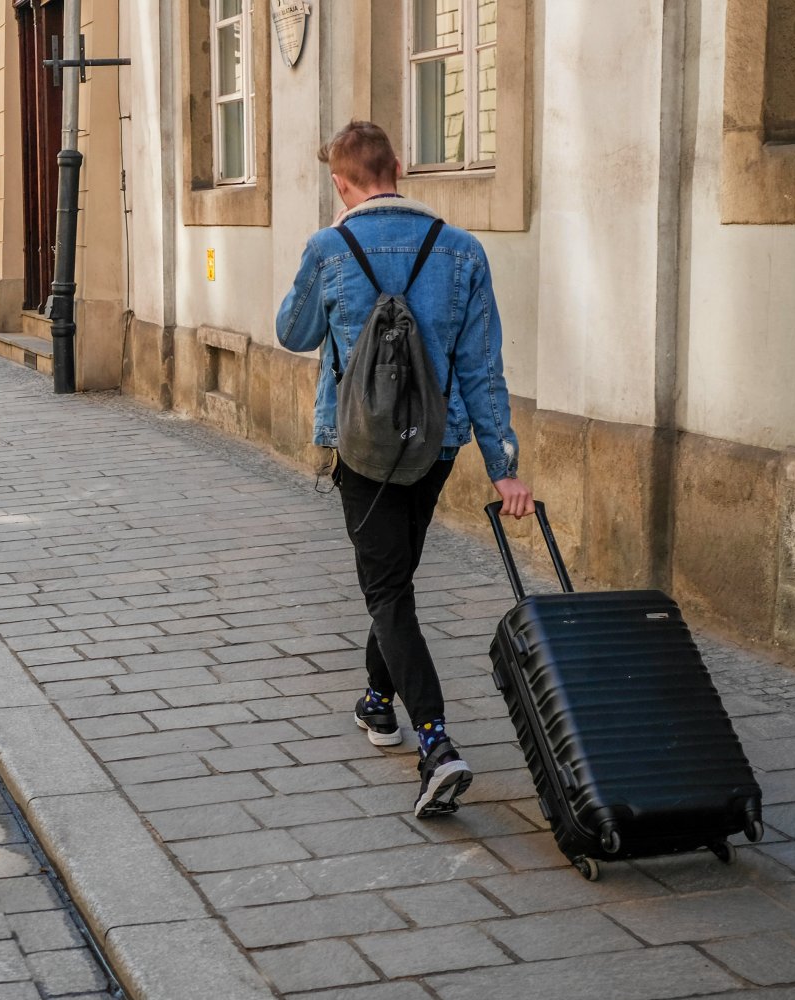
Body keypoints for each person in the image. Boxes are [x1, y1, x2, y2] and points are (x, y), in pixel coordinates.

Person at [276, 120, 533, 819]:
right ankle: (375, 701)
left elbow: (291, 332)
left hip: (360, 446)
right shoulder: (462, 250)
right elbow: (482, 366)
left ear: (340, 180)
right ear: (401, 166)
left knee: (387, 589)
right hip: (436, 446)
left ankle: (437, 745)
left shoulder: (330, 248)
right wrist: (503, 465)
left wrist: (331, 242)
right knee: (393, 579)